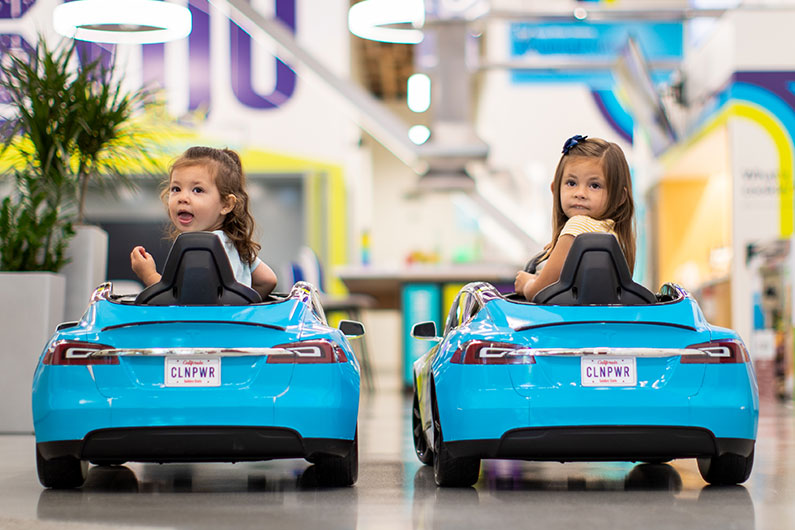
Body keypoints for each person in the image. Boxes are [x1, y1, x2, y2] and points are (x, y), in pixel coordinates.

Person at [131, 146, 278, 299]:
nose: (183, 197)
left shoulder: (200, 247)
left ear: (226, 204)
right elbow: (267, 280)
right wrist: (241, 305)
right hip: (233, 322)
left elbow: (182, 301)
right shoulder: (233, 244)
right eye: (176, 188)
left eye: (197, 190)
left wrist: (148, 274)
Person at [515, 135, 636, 302]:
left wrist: (526, 283)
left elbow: (539, 292)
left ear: (619, 197)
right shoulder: (612, 234)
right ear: (555, 189)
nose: (580, 193)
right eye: (571, 183)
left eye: (594, 185)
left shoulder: (578, 226)